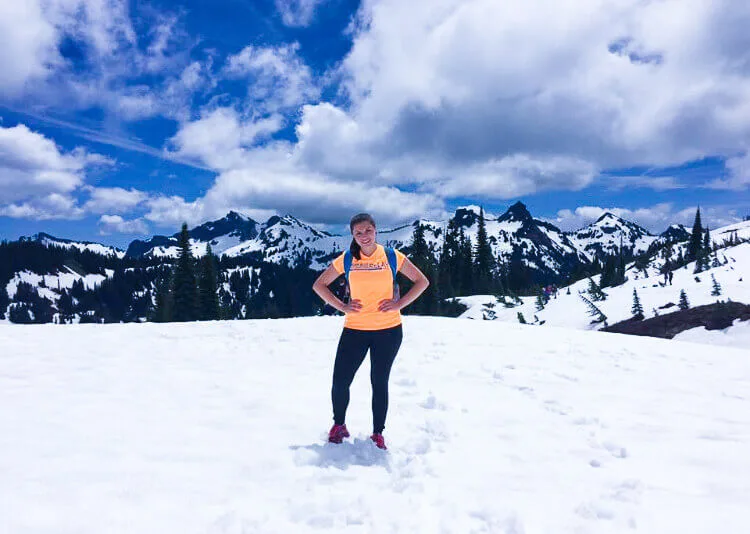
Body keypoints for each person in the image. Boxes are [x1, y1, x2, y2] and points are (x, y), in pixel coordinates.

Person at [312, 213, 430, 450]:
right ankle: (339, 425)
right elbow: (319, 285)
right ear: (353, 236)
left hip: (388, 331)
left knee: (379, 381)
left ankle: (378, 433)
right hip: (354, 329)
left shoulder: (391, 256)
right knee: (340, 381)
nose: (364, 236)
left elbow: (422, 281)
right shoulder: (347, 259)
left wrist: (399, 304)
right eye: (358, 233)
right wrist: (342, 306)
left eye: (367, 231)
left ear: (376, 231)